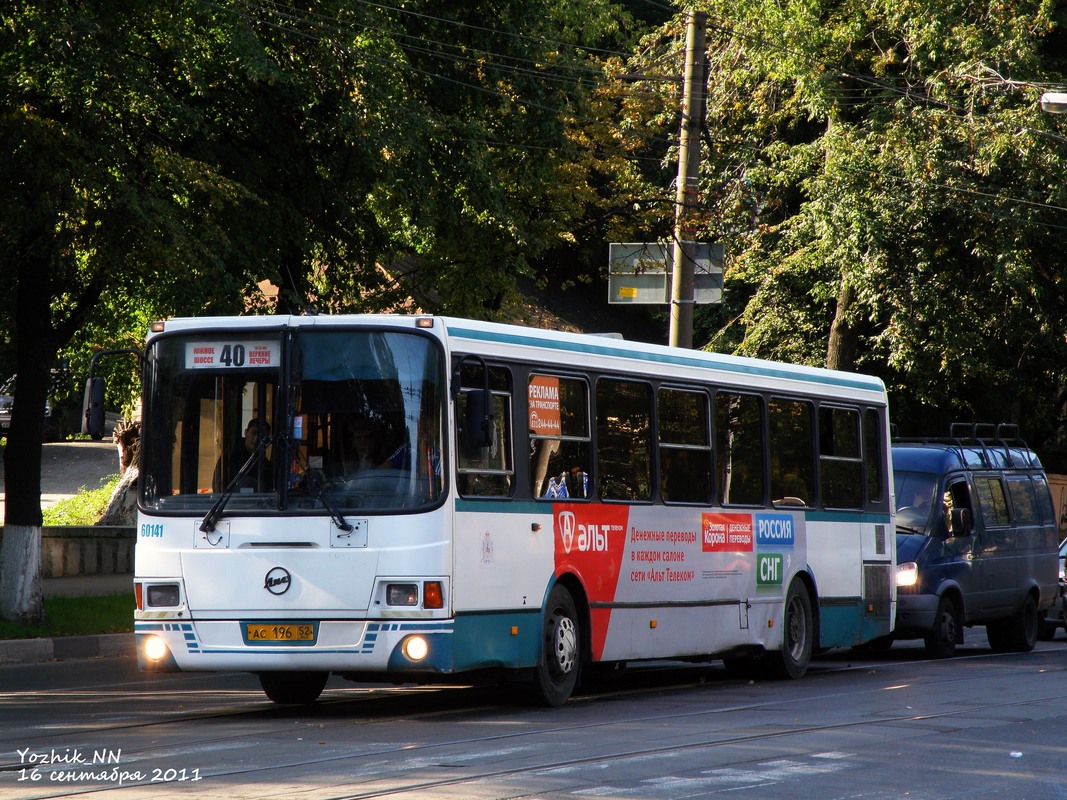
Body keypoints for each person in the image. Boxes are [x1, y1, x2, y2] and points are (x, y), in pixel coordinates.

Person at [217, 417, 273, 491]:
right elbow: (219, 485)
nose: (256, 438)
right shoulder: (231, 457)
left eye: (261, 435)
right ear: (246, 432)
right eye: (253, 433)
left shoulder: (265, 464)